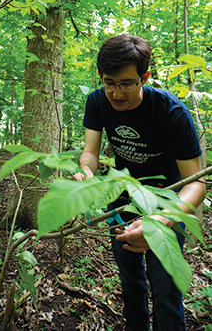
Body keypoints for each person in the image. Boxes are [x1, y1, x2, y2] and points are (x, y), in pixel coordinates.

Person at [74, 34, 206, 331]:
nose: (116, 93)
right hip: (122, 198)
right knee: (130, 280)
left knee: (165, 287)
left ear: (144, 77)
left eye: (126, 84)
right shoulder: (96, 102)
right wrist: (86, 173)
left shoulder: (171, 112)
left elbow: (196, 184)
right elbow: (90, 153)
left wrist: (160, 220)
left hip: (168, 200)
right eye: (109, 82)